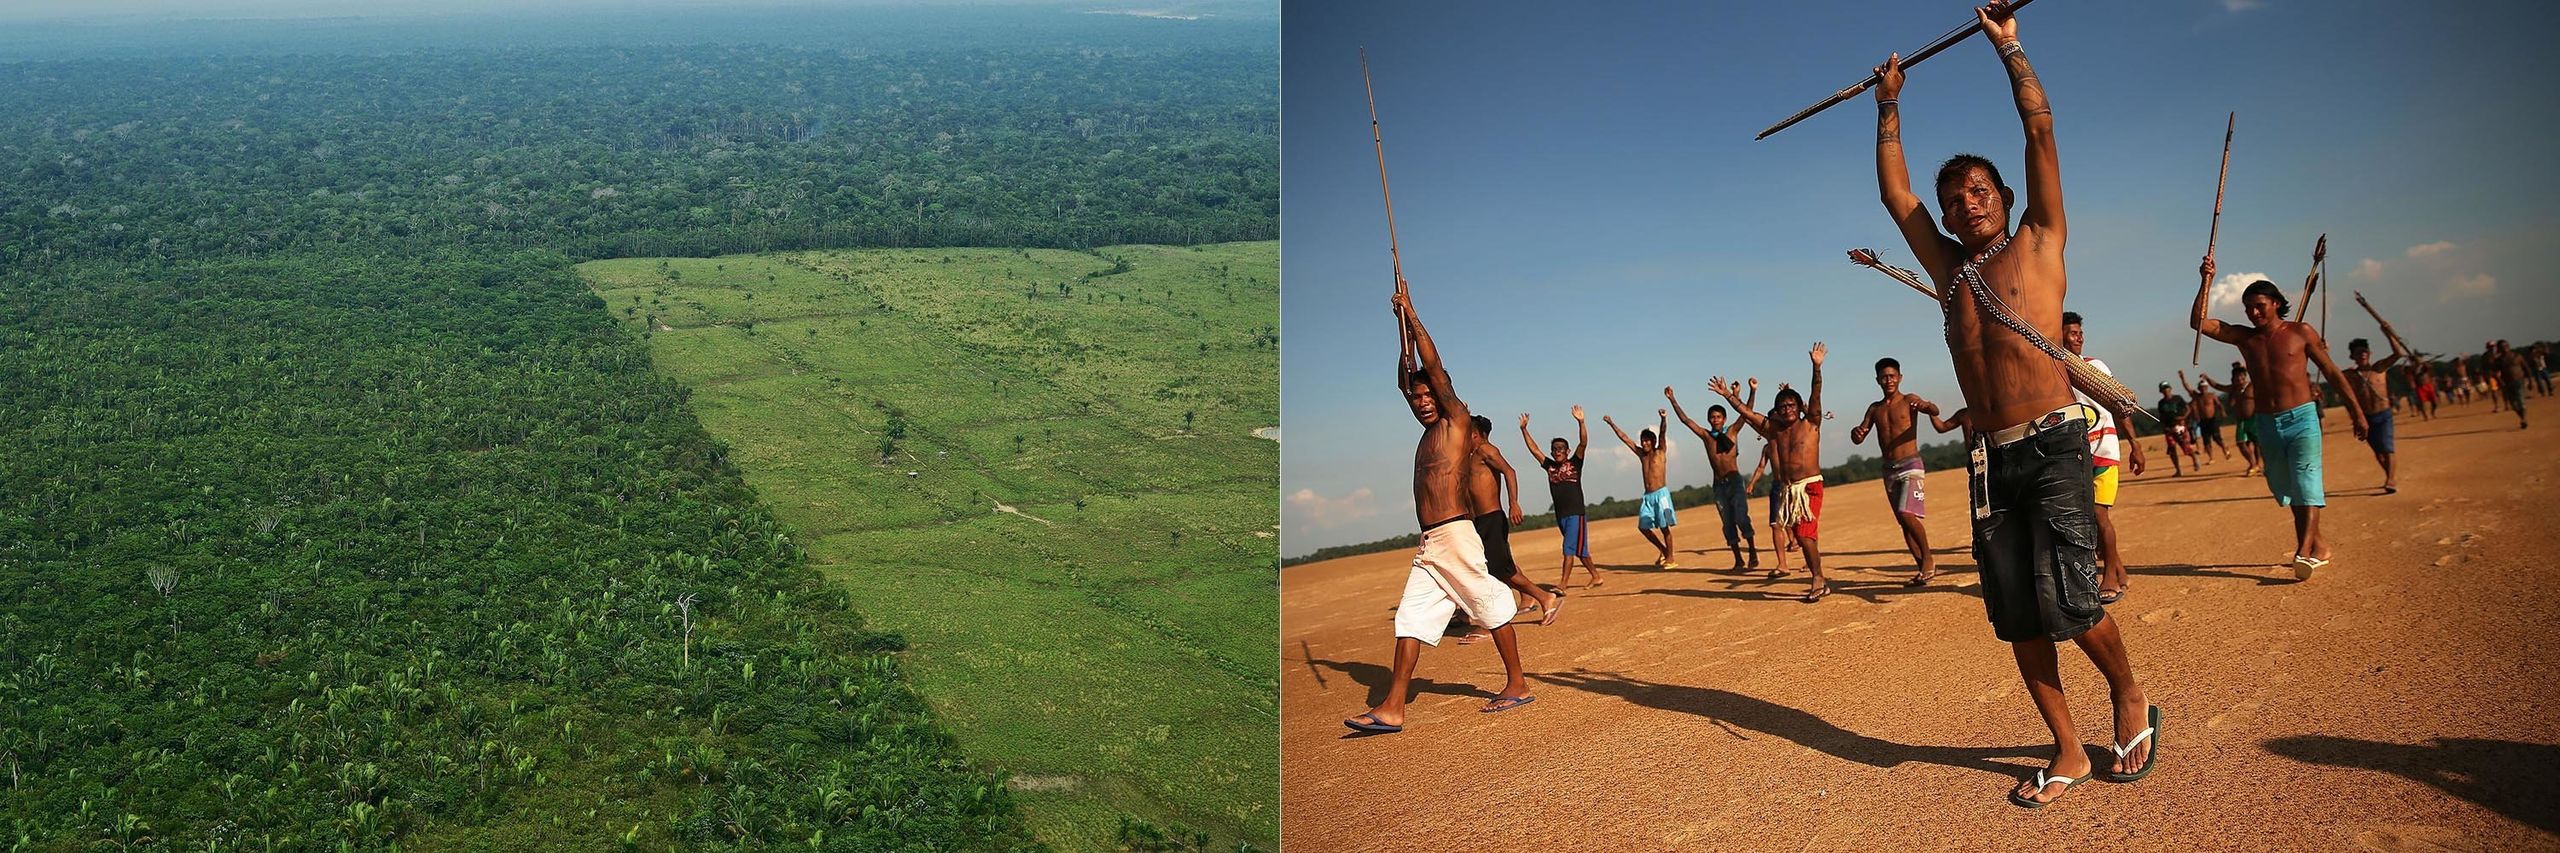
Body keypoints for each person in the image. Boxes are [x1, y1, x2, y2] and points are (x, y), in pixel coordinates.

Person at [1873, 4, 2153, 807]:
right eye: (1954, 197)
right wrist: (1890, 104)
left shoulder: (2039, 240)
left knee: (2071, 594)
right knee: (2018, 612)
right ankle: (2067, 747)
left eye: (1977, 190)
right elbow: (1898, 199)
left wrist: (2010, 48)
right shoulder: (1949, 273)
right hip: (1991, 459)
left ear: (2001, 194)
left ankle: (2128, 695)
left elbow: (2039, 133)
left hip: (2057, 439)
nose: (1966, 204)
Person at [1344, 283, 1531, 736]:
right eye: (1417, 398)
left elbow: (1432, 367)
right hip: (1431, 543)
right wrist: (1399, 330)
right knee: (1410, 617)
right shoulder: (1427, 433)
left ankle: (1518, 684)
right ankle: (1393, 708)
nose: (1422, 401)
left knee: (1488, 606)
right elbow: (1405, 374)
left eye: (1429, 396)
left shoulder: (1455, 421)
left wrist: (1413, 314)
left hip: (1457, 534)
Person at [2192, 256, 2368, 577]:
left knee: (2306, 481)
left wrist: (2357, 412)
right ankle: (2319, 545)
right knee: (2286, 487)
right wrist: (2207, 279)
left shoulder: (2301, 332)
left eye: (2259, 305)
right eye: (2248, 308)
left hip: (2302, 418)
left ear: (2276, 303)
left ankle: (2302, 551)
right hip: (2267, 423)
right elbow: (2199, 323)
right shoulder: (2246, 338)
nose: (2253, 312)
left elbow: (2331, 372)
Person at [1707, 343, 1831, 602]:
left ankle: (1818, 579)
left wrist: (1816, 367)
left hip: (1808, 486)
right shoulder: (1773, 431)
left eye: (1791, 405)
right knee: (1801, 535)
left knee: (1805, 536)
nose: (1787, 409)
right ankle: (1817, 575)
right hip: (1787, 490)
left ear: (1799, 407)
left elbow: (1816, 394)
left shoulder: (1811, 424)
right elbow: (1747, 413)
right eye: (1782, 406)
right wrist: (1727, 396)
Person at [2062, 313, 2147, 603]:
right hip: (2075, 456)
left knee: (2099, 516)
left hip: (2104, 451)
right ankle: (2119, 570)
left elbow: (2119, 406)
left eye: (2079, 332)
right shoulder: (2055, 373)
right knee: (2089, 519)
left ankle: (2109, 574)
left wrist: (2135, 444)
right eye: (2071, 333)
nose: (2078, 337)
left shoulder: (2094, 367)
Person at [1454, 414, 1561, 645]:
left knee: (1497, 571)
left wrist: (1514, 503)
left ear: (1474, 434)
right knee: (1496, 568)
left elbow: (1510, 472)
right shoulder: (1469, 456)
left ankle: (1541, 599)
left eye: (1466, 433)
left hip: (1492, 518)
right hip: (1478, 521)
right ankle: (1537, 600)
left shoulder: (1486, 450)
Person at [1848, 357, 1942, 586]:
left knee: (1908, 514)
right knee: (1903, 520)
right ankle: (1922, 570)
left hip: (1910, 464)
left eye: (1892, 376)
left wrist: (1926, 406)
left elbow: (1934, 409)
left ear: (1899, 377)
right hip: (1889, 469)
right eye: (1884, 377)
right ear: (1877, 380)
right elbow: (1859, 435)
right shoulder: (1875, 408)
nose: (1888, 380)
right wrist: (1856, 433)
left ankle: (1929, 559)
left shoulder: (1910, 400)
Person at [1671, 381, 1762, 569]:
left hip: (1735, 482)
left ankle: (1752, 552)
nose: (1715, 420)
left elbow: (1747, 413)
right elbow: (1686, 421)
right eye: (1712, 417)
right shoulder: (1706, 436)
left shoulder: (1732, 432)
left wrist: (1752, 391)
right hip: (1719, 485)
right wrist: (1673, 400)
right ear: (1709, 420)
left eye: (1719, 417)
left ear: (1724, 418)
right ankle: (1738, 559)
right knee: (1728, 523)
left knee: (1741, 518)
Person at [1520, 408, 1605, 590]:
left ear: (1567, 451)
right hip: (1561, 515)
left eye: (1561, 449)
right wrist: (1524, 430)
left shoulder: (1575, 463)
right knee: (1580, 550)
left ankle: (1563, 584)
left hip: (1576, 513)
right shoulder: (1549, 466)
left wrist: (1581, 422)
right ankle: (1596, 576)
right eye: (1555, 449)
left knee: (1568, 549)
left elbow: (1583, 443)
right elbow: (1534, 450)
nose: (1558, 451)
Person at [1603, 409, 1680, 568]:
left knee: (1665, 528)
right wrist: (1611, 423)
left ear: (1653, 441)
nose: (1644, 443)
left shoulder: (1660, 451)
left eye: (1647, 440)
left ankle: (1671, 558)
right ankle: (1664, 551)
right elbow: (1625, 439)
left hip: (1662, 495)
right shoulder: (1641, 455)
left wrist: (1663, 419)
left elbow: (1663, 434)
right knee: (1643, 527)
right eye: (1642, 440)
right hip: (1648, 497)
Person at [2344, 337, 2409, 493]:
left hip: (2384, 414)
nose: (2362, 354)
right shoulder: (2350, 375)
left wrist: (2388, 334)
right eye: (2358, 352)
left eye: (2364, 351)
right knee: (2378, 452)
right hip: (2366, 418)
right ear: (2352, 356)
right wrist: (2324, 350)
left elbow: (2398, 354)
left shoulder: (2379, 367)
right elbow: (2329, 370)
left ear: (2370, 353)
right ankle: (2390, 475)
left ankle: (2391, 479)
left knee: (2388, 449)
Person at [2196, 364, 2262, 476]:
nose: (2239, 380)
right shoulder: (2233, 388)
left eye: (2241, 377)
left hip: (2253, 419)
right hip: (2241, 420)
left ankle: (2258, 464)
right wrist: (2207, 378)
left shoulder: (2252, 386)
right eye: (2237, 377)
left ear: (2245, 376)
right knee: (2240, 442)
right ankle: (2252, 463)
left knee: (2257, 443)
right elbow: (2218, 386)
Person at [2179, 370, 2233, 464]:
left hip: (2212, 419)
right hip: (2203, 421)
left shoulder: (2212, 396)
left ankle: (2225, 449)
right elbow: (2188, 388)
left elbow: (2219, 404)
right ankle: (2211, 457)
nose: (2203, 389)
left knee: (2216, 437)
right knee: (2206, 440)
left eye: (2204, 387)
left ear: (2207, 387)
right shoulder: (2197, 396)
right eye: (2201, 388)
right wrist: (2182, 378)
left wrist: (2222, 411)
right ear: (2199, 388)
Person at [2153, 383, 2203, 476]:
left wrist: (2183, 417)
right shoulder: (2161, 403)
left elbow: (2188, 408)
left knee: (2186, 447)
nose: (2166, 391)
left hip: (2180, 427)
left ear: (2170, 389)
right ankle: (2178, 470)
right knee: (2172, 450)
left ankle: (2195, 459)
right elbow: (2162, 416)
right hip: (2169, 428)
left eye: (2167, 388)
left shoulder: (2178, 399)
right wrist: (2163, 426)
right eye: (2163, 389)